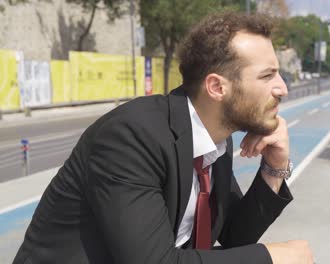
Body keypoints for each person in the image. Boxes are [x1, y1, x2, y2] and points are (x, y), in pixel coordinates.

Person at [13, 12, 314, 264]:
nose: (282, 88)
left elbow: (234, 236)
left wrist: (273, 169)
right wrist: (272, 258)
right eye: (267, 76)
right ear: (217, 87)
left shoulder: (215, 139)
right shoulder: (132, 136)